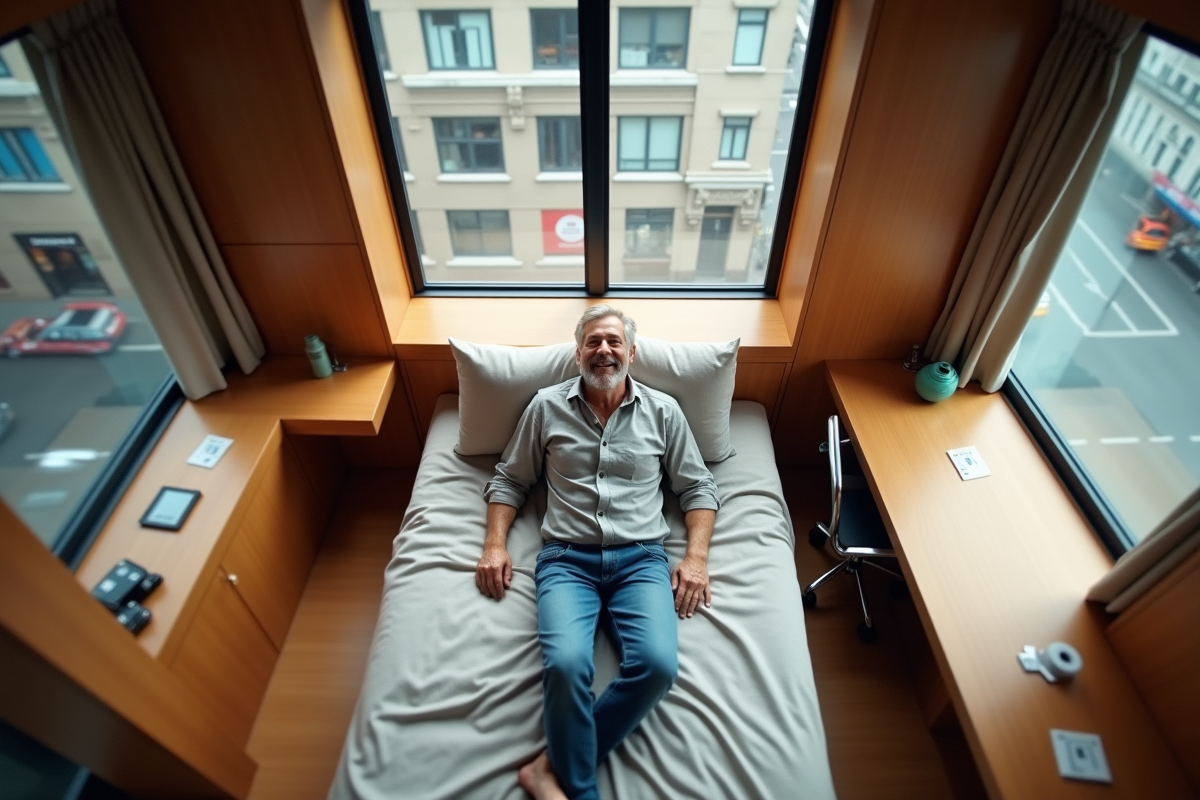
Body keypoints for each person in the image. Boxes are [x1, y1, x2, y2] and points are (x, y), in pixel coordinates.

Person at [475, 305, 719, 800]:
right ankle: (578, 789)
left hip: (641, 561)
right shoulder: (545, 407)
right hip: (567, 562)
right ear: (578, 352)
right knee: (565, 666)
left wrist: (696, 558)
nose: (603, 351)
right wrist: (494, 545)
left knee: (657, 667)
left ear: (632, 351)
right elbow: (509, 479)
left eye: (612, 342)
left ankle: (548, 768)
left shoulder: (664, 412)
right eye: (592, 342)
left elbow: (698, 488)